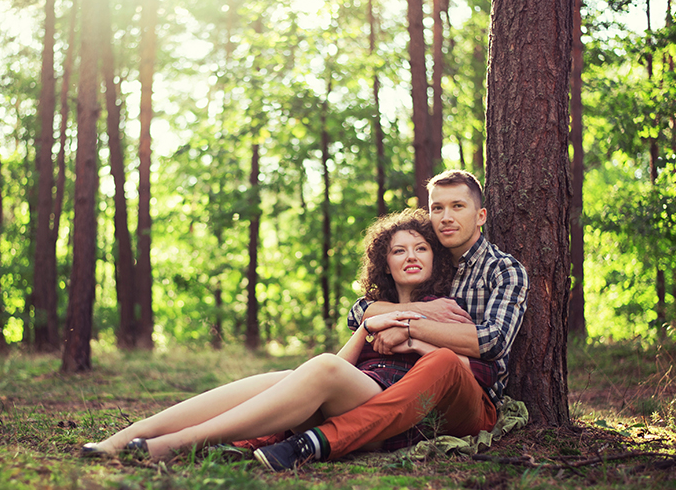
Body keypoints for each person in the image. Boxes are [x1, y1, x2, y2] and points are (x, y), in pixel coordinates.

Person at [81, 208, 468, 462]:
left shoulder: (446, 307)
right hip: (357, 389)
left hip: (391, 410)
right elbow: (344, 363)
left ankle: (177, 445)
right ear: (385, 261)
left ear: (435, 256)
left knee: (321, 369)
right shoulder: (372, 307)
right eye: (399, 250)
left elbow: (460, 368)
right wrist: (370, 326)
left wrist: (413, 336)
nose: (411, 256)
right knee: (282, 380)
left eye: (421, 248)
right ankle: (121, 439)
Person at [255, 169, 529, 471]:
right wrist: (413, 315)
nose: (446, 217)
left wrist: (411, 329)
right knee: (303, 379)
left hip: (472, 395)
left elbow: (492, 341)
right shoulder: (433, 261)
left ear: (481, 216)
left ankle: (319, 441)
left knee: (444, 361)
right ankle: (249, 438)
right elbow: (360, 312)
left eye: (458, 206)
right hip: (415, 387)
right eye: (438, 208)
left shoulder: (503, 270)